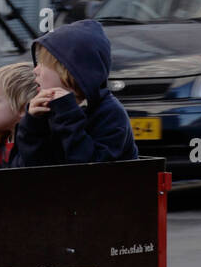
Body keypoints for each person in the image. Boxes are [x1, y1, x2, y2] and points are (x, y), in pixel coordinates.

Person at [11, 18, 138, 167]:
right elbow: (26, 168)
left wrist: (68, 115)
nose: (35, 70)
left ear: (69, 71)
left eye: (43, 64)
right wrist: (32, 124)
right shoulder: (49, 107)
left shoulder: (110, 113)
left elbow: (87, 169)